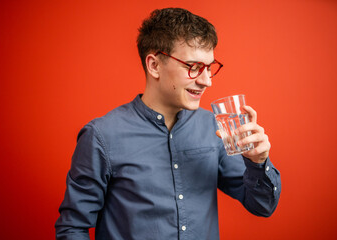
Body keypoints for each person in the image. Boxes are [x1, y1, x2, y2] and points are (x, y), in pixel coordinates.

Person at [55, 7, 281, 240]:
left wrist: (258, 162)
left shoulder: (214, 128)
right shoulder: (102, 136)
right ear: (154, 65)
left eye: (210, 68)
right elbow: (72, 228)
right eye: (193, 67)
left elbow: (262, 206)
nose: (206, 81)